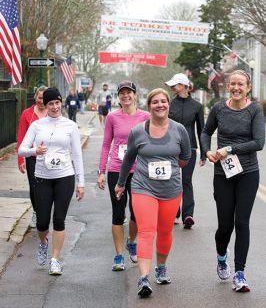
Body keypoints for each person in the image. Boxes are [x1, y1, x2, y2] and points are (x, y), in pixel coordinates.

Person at [115, 88, 191, 298]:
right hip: (143, 187)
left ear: (168, 105)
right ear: (149, 106)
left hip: (171, 189)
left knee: (165, 231)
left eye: (163, 101)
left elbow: (185, 157)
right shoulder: (138, 132)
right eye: (155, 102)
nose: (160, 105)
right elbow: (129, 159)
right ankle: (144, 278)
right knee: (147, 231)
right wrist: (121, 183)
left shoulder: (179, 130)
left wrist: (171, 168)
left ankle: (162, 267)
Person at [201, 70, 265, 292]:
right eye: (233, 84)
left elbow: (258, 143)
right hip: (224, 174)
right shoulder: (219, 108)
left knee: (242, 223)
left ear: (248, 87)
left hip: (248, 173)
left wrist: (229, 148)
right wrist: (206, 151)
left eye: (241, 84)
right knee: (225, 226)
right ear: (229, 86)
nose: (236, 88)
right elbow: (206, 132)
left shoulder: (255, 110)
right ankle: (221, 257)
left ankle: (240, 273)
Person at [18, 88, 85, 276]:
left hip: (65, 177)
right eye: (50, 104)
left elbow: (77, 155)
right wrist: (34, 151)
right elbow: (21, 149)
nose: (55, 107)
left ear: (61, 103)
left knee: (59, 220)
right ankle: (42, 243)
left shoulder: (70, 125)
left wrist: (81, 183)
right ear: (45, 106)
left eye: (57, 103)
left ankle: (55, 260)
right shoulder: (37, 125)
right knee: (42, 222)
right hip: (42, 178)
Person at [97, 81, 150, 272]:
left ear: (135, 95)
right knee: (118, 213)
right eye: (122, 93)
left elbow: (153, 142)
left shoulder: (146, 117)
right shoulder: (112, 117)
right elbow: (105, 145)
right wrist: (101, 171)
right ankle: (119, 255)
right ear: (118, 97)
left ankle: (131, 241)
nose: (126, 96)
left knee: (137, 213)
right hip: (117, 170)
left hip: (140, 171)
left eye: (129, 92)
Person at [165, 73, 206, 228]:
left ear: (182, 85)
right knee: (171, 180)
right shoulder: (169, 104)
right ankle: (174, 212)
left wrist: (203, 153)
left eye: (174, 85)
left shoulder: (197, 106)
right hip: (170, 148)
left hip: (190, 148)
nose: (172, 87)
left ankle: (188, 215)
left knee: (186, 181)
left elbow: (202, 131)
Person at [17, 85, 48, 228]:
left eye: (44, 98)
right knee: (34, 186)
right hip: (32, 157)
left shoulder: (52, 112)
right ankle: (36, 212)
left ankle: (44, 211)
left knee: (47, 186)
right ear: (35, 97)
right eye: (39, 98)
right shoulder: (27, 114)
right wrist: (20, 159)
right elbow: (21, 136)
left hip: (48, 157)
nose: (41, 101)